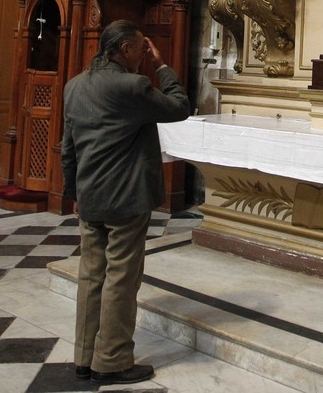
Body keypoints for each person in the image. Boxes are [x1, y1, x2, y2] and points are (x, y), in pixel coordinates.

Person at [61, 20, 190, 385]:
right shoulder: (131, 85)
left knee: (90, 276)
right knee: (120, 278)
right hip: (126, 199)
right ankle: (113, 361)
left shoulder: (75, 86)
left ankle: (84, 358)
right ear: (123, 50)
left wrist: (72, 191)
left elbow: (68, 146)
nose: (142, 55)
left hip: (90, 196)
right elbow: (179, 106)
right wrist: (162, 65)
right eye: (140, 49)